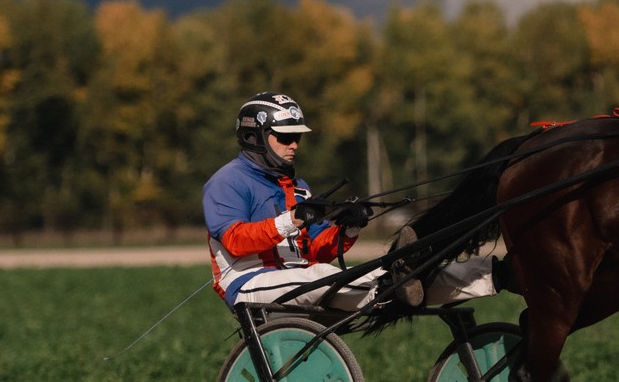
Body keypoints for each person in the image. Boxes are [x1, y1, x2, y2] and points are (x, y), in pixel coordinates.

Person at [204, 91, 499, 311]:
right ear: (254, 136)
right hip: (248, 283)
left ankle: (493, 274)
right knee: (325, 276)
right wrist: (291, 220)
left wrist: (349, 229)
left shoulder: (298, 187)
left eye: (297, 137)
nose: (294, 144)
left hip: (298, 277)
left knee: (363, 273)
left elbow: (319, 250)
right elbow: (235, 241)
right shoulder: (226, 182)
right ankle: (391, 285)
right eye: (285, 136)